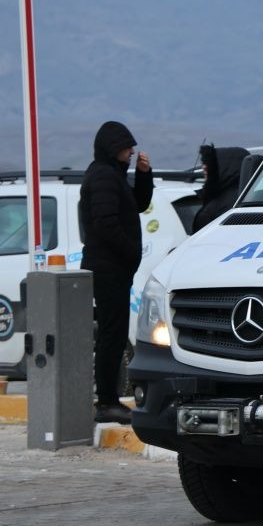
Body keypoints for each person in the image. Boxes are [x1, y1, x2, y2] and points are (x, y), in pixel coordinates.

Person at [79, 120, 153, 425]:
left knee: (114, 333)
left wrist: (145, 176)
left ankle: (107, 399)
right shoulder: (103, 176)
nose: (132, 151)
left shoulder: (114, 175)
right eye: (126, 146)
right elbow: (106, 223)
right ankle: (107, 401)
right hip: (108, 268)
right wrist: (130, 251)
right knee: (112, 335)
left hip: (114, 268)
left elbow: (138, 204)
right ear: (113, 147)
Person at [191, 144, 250, 232]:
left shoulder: (227, 204)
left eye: (210, 164)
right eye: (204, 163)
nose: (204, 167)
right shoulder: (251, 196)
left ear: (225, 168)